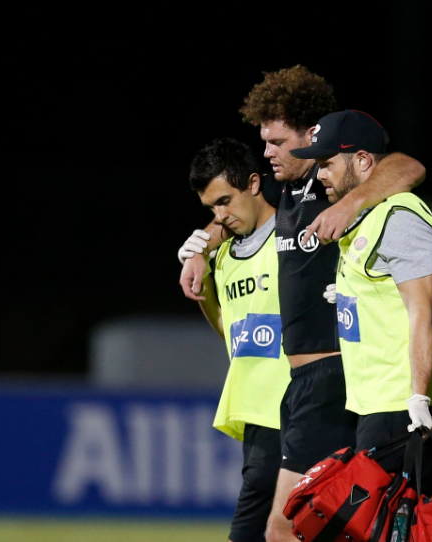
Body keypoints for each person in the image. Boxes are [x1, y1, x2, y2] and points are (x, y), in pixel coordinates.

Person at [176, 65, 427, 542]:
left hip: (332, 377)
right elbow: (236, 208)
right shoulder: (287, 189)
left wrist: (349, 205)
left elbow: (408, 167)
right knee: (328, 528)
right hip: (301, 385)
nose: (267, 152)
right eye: (264, 142)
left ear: (312, 135)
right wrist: (203, 246)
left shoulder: (330, 181)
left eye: (276, 141)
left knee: (283, 529)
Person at [290, 109, 432, 496]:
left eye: (327, 164)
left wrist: (418, 399)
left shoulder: (399, 217)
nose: (319, 175)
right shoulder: (370, 217)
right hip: (378, 403)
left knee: (392, 522)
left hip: (402, 406)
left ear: (362, 160)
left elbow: (422, 313)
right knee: (393, 523)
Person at [187, 137, 289, 542]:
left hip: (298, 404)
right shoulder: (225, 257)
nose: (220, 216)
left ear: (253, 183)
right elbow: (233, 334)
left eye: (225, 201)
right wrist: (201, 269)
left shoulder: (294, 236)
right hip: (255, 410)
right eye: (211, 208)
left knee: (251, 527)